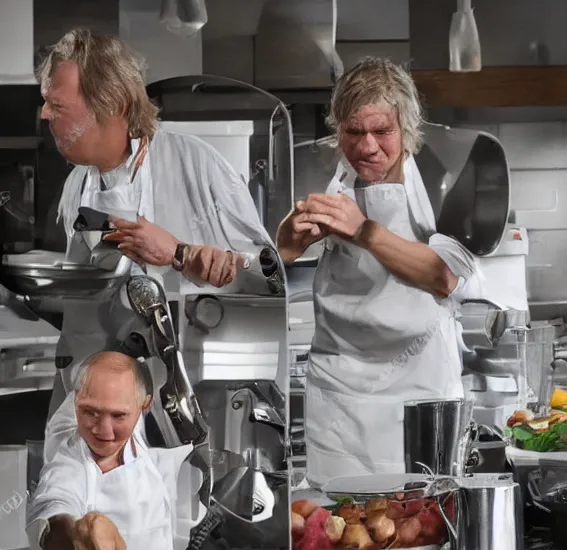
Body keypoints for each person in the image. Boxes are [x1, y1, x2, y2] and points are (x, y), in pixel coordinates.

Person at [38, 28, 273, 429]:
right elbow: (84, 311)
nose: (44, 114)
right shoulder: (76, 184)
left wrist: (180, 255)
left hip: (182, 408)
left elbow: (269, 283)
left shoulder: (197, 168)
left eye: (55, 104)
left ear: (110, 103)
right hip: (95, 414)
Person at [276, 58, 484, 485]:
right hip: (340, 394)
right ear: (337, 128)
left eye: (382, 132)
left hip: (421, 391)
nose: (367, 147)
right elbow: (270, 259)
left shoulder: (444, 174)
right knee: (340, 521)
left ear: (406, 127)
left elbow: (442, 276)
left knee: (424, 517)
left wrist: (363, 230)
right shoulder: (319, 172)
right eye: (353, 132)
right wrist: (288, 242)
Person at [26, 351, 192, 550]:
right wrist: (79, 532)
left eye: (118, 416)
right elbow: (52, 515)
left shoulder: (141, 437)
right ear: (77, 401)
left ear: (144, 406)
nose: (104, 431)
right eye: (90, 412)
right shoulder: (69, 466)